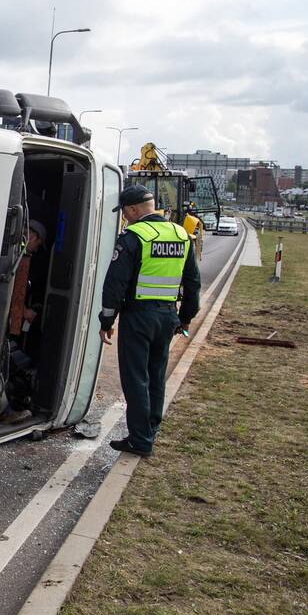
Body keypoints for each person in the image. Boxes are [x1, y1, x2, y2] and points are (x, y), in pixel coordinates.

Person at [99, 185, 200, 457]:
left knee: (136, 379)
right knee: (156, 376)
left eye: (124, 212)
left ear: (132, 210)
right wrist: (185, 319)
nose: (124, 218)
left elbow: (115, 285)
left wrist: (106, 320)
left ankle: (140, 439)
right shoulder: (181, 234)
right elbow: (193, 283)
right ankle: (151, 430)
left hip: (138, 317)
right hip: (167, 316)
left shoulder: (134, 236)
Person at [0, 219, 48, 424]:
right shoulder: (21, 259)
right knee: (7, 363)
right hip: (4, 323)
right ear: (33, 237)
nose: (36, 248)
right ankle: (4, 410)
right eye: (38, 243)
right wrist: (22, 311)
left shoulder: (12, 253)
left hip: (4, 322)